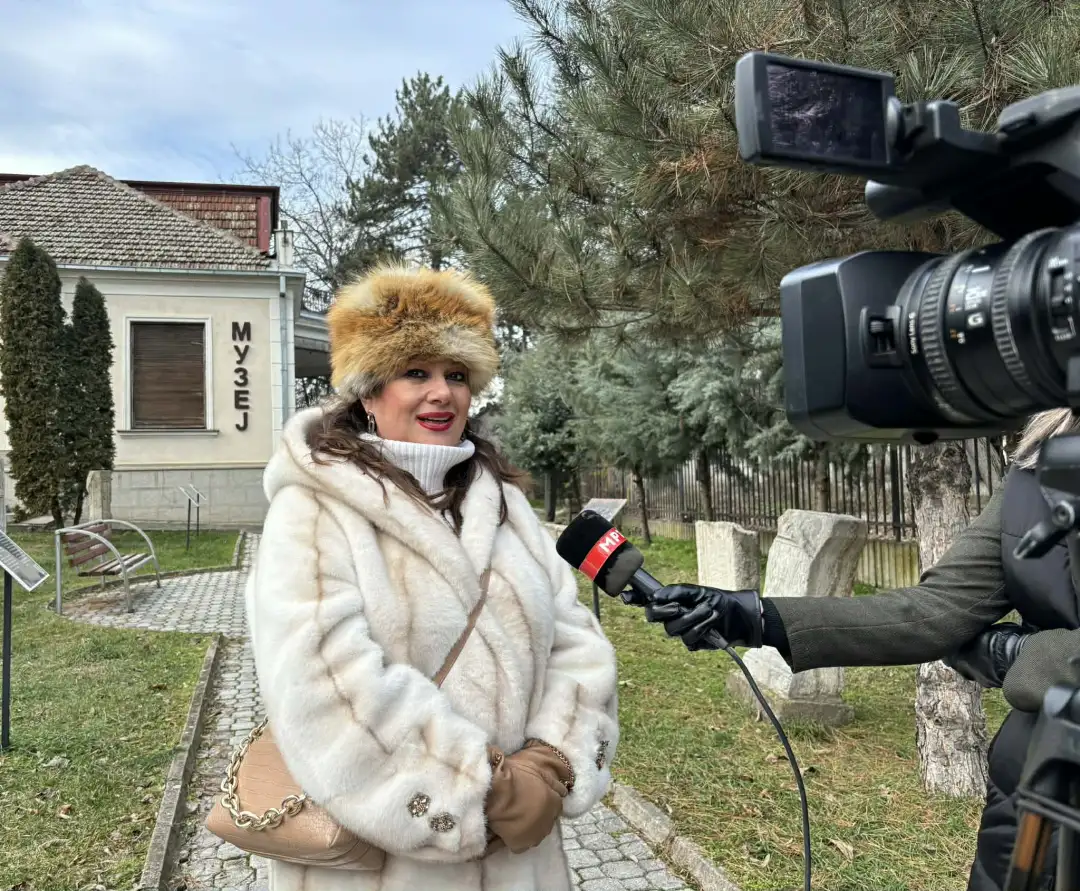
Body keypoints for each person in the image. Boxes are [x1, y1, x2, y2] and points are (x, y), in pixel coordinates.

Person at [245, 263, 619, 891]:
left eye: (457, 375)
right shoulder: (312, 510)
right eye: (416, 372)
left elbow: (575, 639)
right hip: (384, 863)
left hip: (518, 858)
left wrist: (552, 763)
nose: (442, 393)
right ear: (369, 392)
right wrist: (478, 792)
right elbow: (324, 682)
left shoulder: (505, 505)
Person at [636, 408, 1080, 891]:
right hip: (1033, 783)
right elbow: (935, 610)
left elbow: (1043, 659)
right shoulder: (1037, 466)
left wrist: (1022, 657)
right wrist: (753, 617)